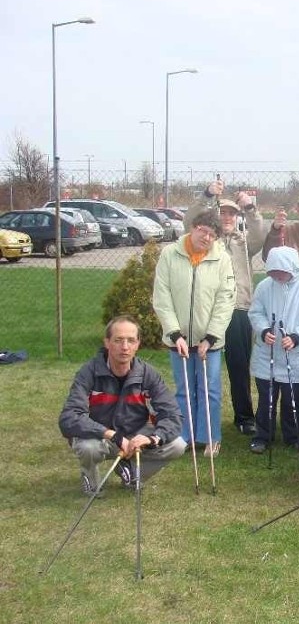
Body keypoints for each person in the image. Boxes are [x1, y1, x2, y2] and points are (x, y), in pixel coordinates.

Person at [58, 316, 185, 497]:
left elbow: (173, 415)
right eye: (118, 340)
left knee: (178, 445)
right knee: (88, 448)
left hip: (133, 436)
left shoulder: (148, 374)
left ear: (138, 344)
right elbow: (69, 417)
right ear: (107, 342)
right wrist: (112, 435)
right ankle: (90, 480)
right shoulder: (89, 372)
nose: (125, 347)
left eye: (131, 340)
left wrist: (152, 439)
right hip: (100, 437)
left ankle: (131, 471)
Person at [153, 209, 236, 457]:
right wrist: (174, 333)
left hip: (208, 341)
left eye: (213, 235)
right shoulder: (170, 254)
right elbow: (162, 296)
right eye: (203, 231)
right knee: (183, 389)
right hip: (178, 338)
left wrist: (211, 337)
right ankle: (184, 436)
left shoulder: (222, 259)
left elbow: (225, 300)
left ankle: (210, 437)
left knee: (209, 388)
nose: (207, 238)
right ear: (194, 227)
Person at [190, 180, 266, 436]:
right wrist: (206, 195)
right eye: (222, 212)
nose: (227, 217)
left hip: (239, 309)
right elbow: (187, 221)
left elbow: (260, 232)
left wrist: (251, 209)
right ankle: (201, 418)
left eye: (232, 213)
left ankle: (244, 417)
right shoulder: (205, 240)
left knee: (239, 366)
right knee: (203, 365)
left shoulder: (244, 243)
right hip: (208, 311)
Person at [247, 246, 299, 454]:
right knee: (267, 398)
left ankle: (295, 435)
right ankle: (263, 435)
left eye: (280, 271)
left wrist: (297, 336)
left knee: (294, 399)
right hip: (268, 353)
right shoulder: (264, 287)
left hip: (297, 355)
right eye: (272, 271)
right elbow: (255, 312)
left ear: (291, 267)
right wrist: (264, 330)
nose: (276, 275)